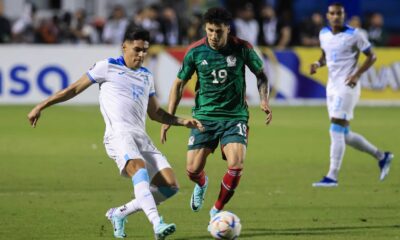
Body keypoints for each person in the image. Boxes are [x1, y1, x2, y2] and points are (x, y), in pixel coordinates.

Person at [27, 29, 204, 239]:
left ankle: (119, 214)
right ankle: (157, 224)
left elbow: (155, 113)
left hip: (141, 137)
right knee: (140, 172)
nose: (140, 55)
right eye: (137, 49)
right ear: (124, 47)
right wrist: (41, 105)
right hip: (118, 135)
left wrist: (183, 121)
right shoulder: (107, 66)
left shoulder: (146, 76)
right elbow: (73, 89)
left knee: (170, 186)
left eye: (145, 51)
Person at [160, 7, 272, 222]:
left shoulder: (242, 48)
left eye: (218, 31)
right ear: (205, 28)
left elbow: (261, 75)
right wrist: (168, 118)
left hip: (234, 116)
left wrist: (264, 100)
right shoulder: (195, 51)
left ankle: (216, 210)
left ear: (227, 30)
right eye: (210, 30)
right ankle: (202, 183)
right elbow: (178, 84)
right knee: (192, 170)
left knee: (236, 164)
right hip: (204, 117)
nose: (213, 36)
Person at [310, 3, 393, 187]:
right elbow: (325, 55)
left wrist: (357, 74)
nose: (336, 16)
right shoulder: (323, 34)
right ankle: (382, 156)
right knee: (344, 134)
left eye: (339, 13)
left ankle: (332, 176)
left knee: (335, 129)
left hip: (348, 86)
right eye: (332, 13)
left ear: (343, 15)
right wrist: (317, 63)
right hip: (331, 87)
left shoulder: (355, 35)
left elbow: (372, 56)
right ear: (327, 16)